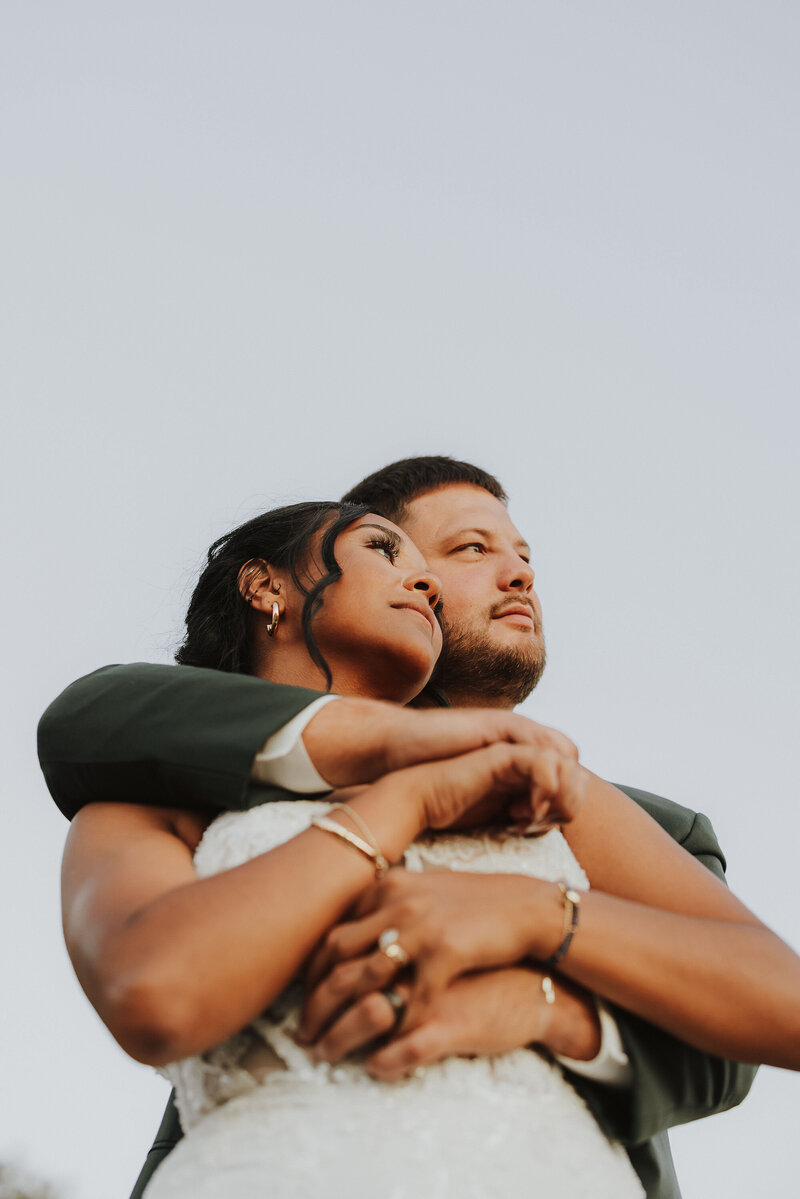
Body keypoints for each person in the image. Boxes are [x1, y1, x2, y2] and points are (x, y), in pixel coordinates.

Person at [38, 458, 760, 1199]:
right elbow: (86, 717)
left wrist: (540, 992)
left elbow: (732, 1038)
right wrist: (399, 776)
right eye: (470, 548)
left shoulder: (637, 819)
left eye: (524, 556)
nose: (519, 575)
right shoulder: (180, 758)